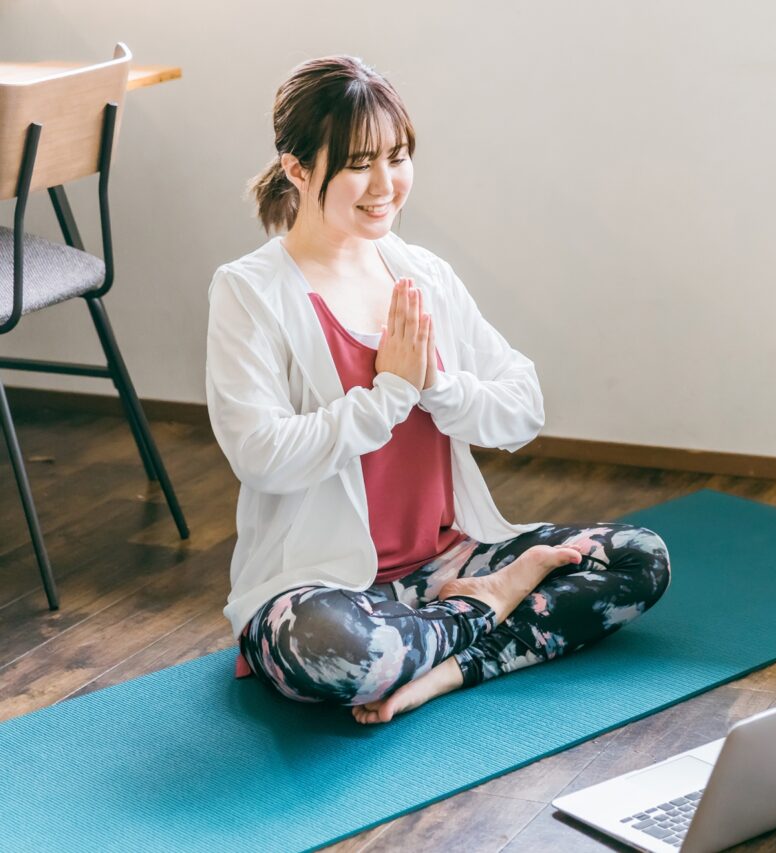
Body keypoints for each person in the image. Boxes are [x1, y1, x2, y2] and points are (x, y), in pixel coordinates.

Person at [206, 55, 671, 725]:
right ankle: (485, 608)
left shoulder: (421, 272)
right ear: (298, 168)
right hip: (328, 589)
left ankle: (441, 667)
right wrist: (388, 394)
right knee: (333, 651)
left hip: (449, 557)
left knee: (640, 559)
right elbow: (261, 454)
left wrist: (438, 386)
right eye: (359, 162)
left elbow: (522, 405)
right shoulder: (249, 290)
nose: (385, 184)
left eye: (397, 157)